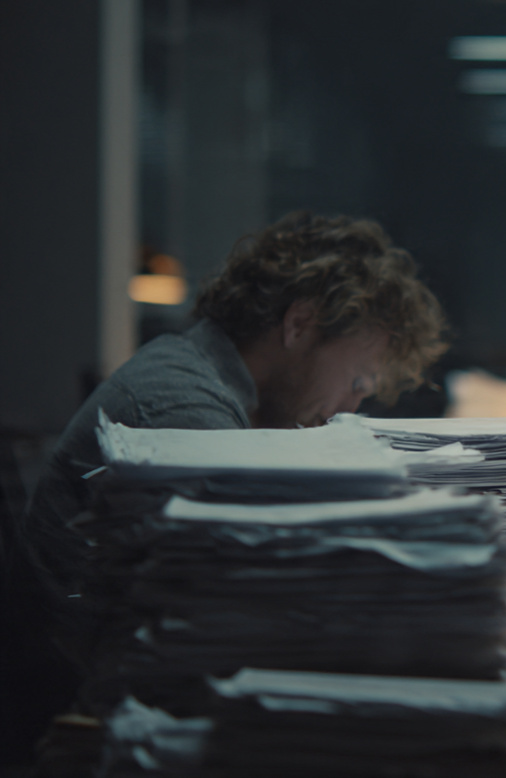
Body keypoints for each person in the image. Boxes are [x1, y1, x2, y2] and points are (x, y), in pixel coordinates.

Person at [5, 211, 447, 752]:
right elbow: (249, 609)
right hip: (94, 725)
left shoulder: (199, 381)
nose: (351, 406)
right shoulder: (181, 408)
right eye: (357, 381)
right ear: (300, 323)